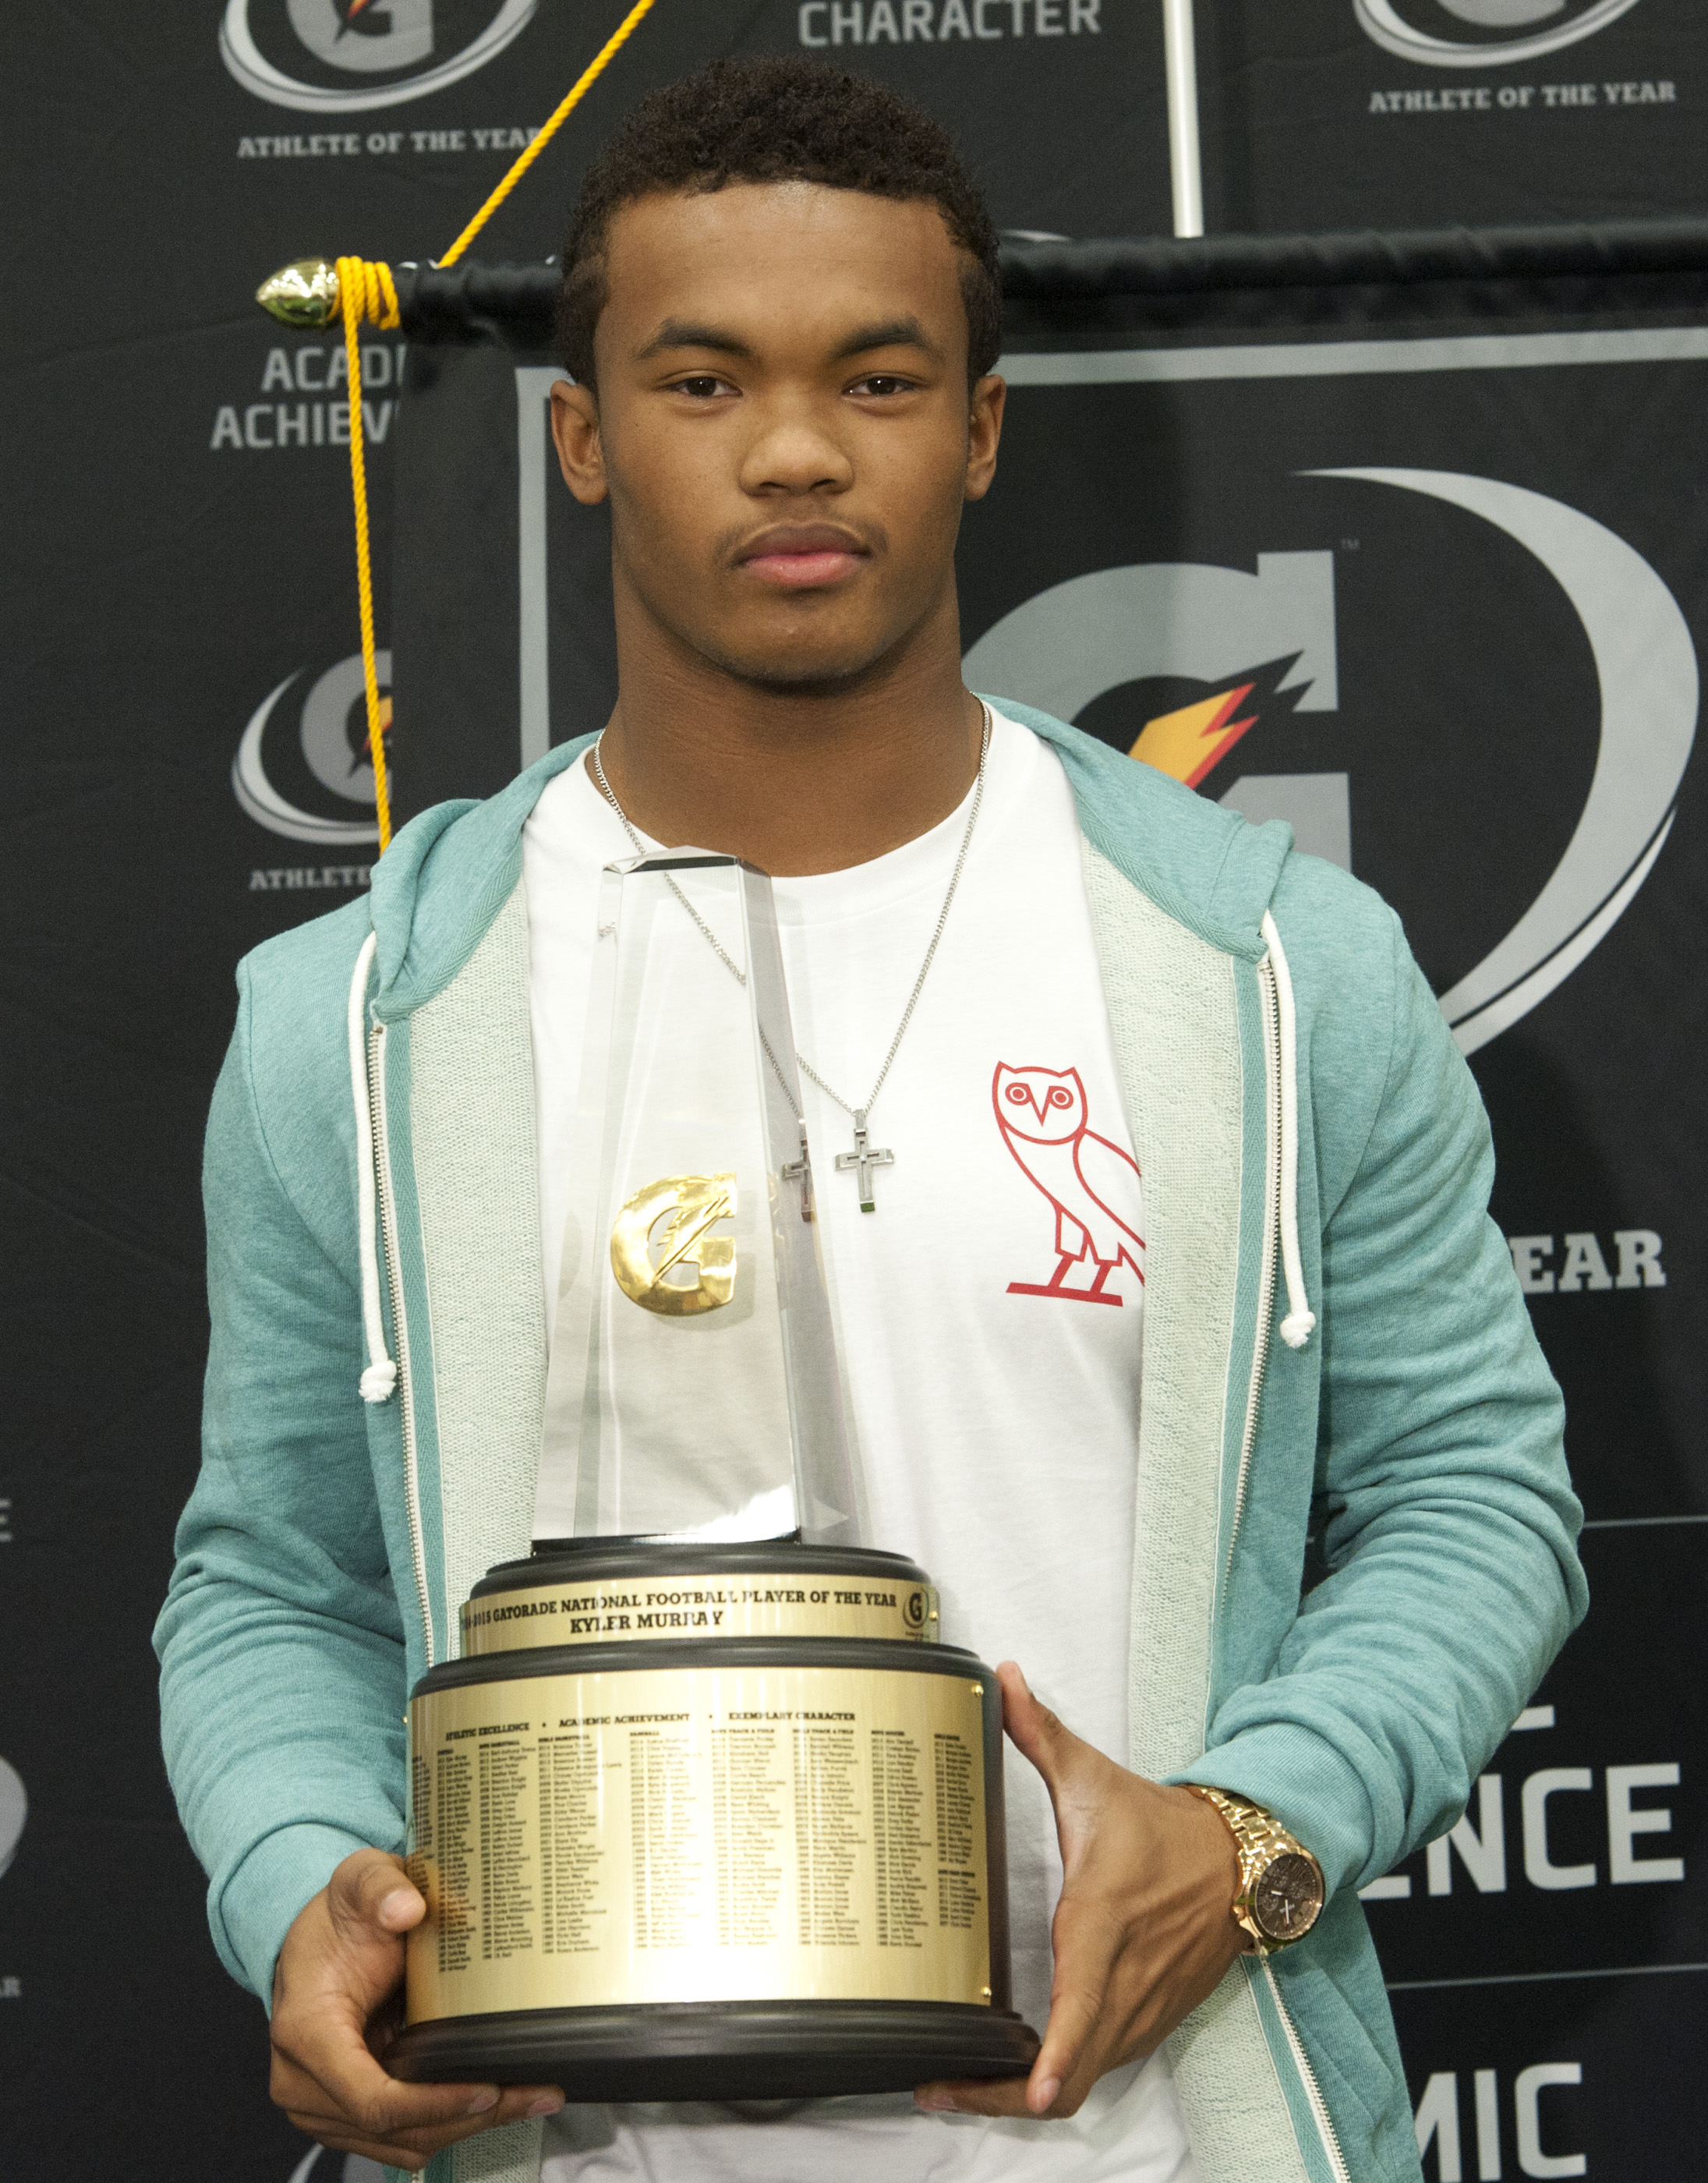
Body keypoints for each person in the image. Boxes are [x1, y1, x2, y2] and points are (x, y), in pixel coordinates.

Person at [157, 55, 1585, 2183]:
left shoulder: (1274, 972)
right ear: (583, 435)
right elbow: (269, 1582)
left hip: (1161, 2143)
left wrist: (1252, 1834)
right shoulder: (354, 1021)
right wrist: (294, 1875)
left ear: (983, 429)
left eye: (881, 381)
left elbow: (1482, 1498)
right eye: (706, 383)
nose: (800, 453)